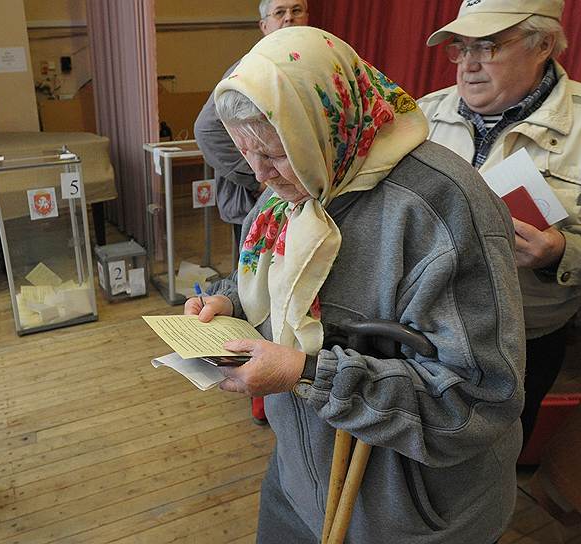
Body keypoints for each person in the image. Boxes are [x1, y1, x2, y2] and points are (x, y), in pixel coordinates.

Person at [185, 27, 525, 543]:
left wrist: (307, 374)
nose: (259, 176)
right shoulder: (292, 192)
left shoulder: (441, 209)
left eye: (275, 154)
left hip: (408, 514)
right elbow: (265, 276)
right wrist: (228, 300)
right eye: (245, 154)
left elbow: (479, 402)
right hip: (299, 478)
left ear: (324, 126)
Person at [419, 0, 581, 450]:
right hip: (420, 333)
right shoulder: (416, 118)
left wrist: (564, 251)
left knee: (498, 453)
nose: (468, 64)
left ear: (543, 45)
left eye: (487, 46)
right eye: (460, 47)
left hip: (524, 343)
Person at [194, 0, 309, 425]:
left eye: (298, 10)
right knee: (255, 287)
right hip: (260, 205)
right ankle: (262, 394)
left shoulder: (311, 62)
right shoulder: (253, 67)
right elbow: (207, 129)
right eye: (280, 13)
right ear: (263, 25)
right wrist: (259, 173)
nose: (290, 19)